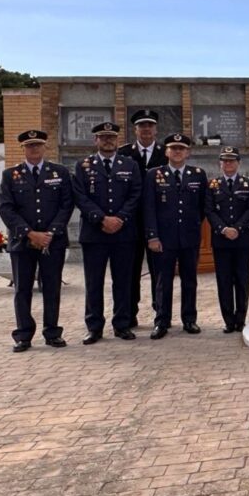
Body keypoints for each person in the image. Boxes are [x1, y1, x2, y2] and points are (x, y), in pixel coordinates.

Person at [0, 130, 74, 352]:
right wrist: (30, 233)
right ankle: (23, 335)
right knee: (23, 289)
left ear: (44, 147)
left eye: (38, 145)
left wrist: (50, 232)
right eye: (29, 146)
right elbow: (6, 208)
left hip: (53, 241)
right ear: (23, 149)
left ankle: (52, 332)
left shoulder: (59, 172)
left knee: (51, 287)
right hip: (23, 242)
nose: (34, 149)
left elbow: (66, 205)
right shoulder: (10, 175)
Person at [73, 121, 142, 344]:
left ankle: (122, 324)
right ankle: (94, 327)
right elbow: (80, 197)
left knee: (123, 281)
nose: (107, 141)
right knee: (94, 282)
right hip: (95, 233)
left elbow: (135, 194)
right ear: (96, 140)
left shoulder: (130, 165)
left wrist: (120, 218)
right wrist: (102, 219)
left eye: (111, 137)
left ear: (117, 140)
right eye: (103, 137)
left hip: (123, 233)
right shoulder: (83, 166)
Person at [141, 133, 208, 339]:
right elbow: (148, 208)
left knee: (190, 280)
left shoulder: (198, 174)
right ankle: (162, 320)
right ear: (166, 151)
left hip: (188, 237)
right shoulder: (154, 174)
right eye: (173, 148)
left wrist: (194, 225)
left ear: (187, 152)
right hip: (163, 239)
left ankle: (189, 319)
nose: (177, 152)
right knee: (163, 281)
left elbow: (203, 206)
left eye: (181, 148)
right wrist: (152, 236)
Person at [118, 108, 167, 326]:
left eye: (150, 125)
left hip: (158, 222)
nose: (146, 129)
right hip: (130, 222)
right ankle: (130, 313)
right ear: (135, 129)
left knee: (159, 271)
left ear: (155, 129)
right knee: (130, 270)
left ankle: (161, 313)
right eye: (141, 126)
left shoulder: (166, 152)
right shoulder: (123, 153)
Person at [206, 147, 249, 333]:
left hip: (243, 239)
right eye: (225, 161)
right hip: (221, 240)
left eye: (232, 161)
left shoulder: (247, 184)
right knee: (224, 281)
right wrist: (223, 229)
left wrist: (237, 228)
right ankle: (228, 320)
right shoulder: (213, 185)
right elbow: (209, 210)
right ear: (220, 164)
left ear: (238, 163)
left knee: (242, 280)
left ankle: (241, 318)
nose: (228, 164)